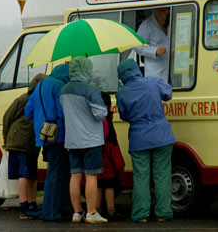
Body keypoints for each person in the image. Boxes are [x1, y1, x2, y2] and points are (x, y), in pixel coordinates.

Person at [116, 59, 176, 223]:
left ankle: (141, 215)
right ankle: (163, 213)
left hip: (139, 138)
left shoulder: (122, 92)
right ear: (136, 69)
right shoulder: (153, 81)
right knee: (162, 176)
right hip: (161, 136)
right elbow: (168, 94)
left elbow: (124, 115)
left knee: (141, 177)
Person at [60, 57, 108, 223]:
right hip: (91, 140)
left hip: (72, 140)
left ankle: (77, 212)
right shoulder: (91, 90)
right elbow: (100, 113)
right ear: (86, 69)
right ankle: (91, 212)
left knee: (75, 175)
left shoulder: (64, 89)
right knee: (91, 176)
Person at [25, 63, 72, 221]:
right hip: (58, 135)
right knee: (58, 172)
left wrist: (41, 122)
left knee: (56, 170)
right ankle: (51, 212)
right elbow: (62, 110)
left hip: (43, 135)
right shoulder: (60, 85)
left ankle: (60, 208)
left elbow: (28, 111)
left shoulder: (39, 86)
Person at [2, 73, 46, 219]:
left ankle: (32, 204)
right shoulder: (24, 99)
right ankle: (24, 206)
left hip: (31, 144)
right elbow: (7, 117)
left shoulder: (37, 100)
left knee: (32, 174)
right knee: (24, 174)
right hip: (20, 142)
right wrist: (6, 139)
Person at [96, 92, 125, 221]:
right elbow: (110, 139)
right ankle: (111, 211)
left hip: (97, 154)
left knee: (97, 185)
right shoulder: (107, 118)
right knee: (109, 185)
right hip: (107, 157)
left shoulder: (95, 117)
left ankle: (97, 210)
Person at [134, 7, 170, 81]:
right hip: (155, 72)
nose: (165, 13)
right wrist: (155, 51)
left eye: (167, 10)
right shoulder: (146, 25)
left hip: (172, 70)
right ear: (156, 11)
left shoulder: (173, 20)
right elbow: (137, 46)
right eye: (162, 10)